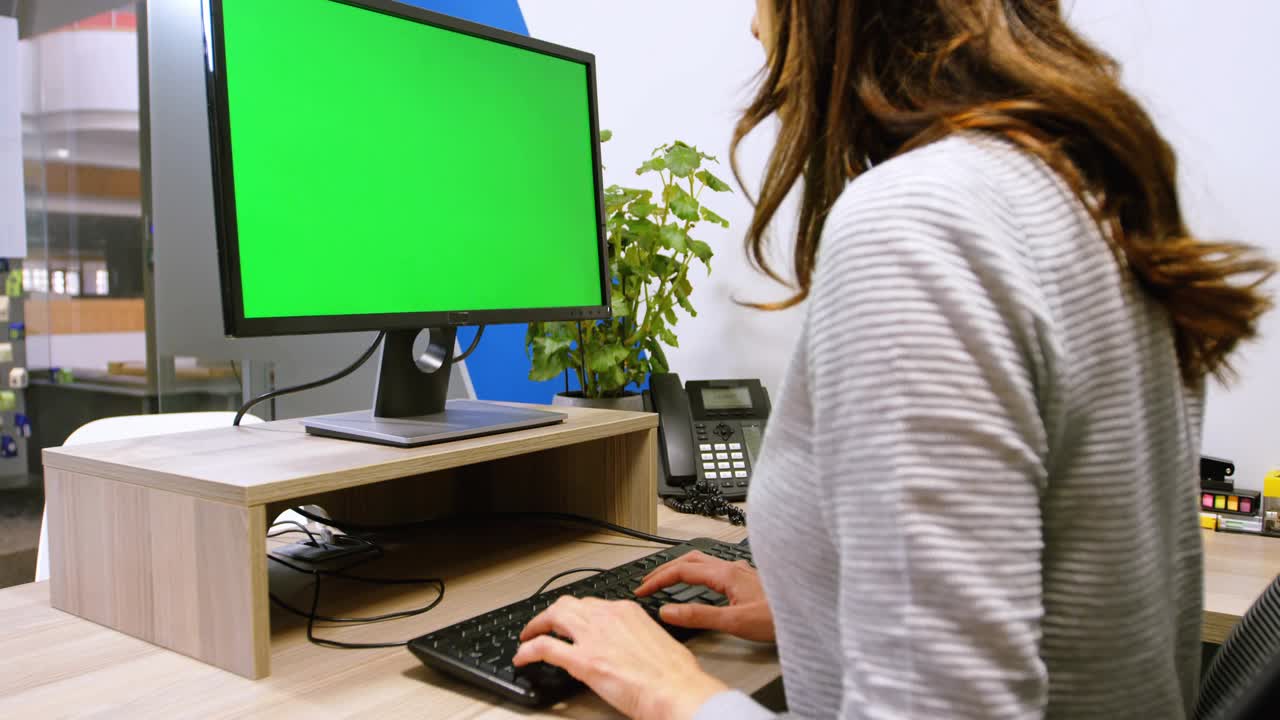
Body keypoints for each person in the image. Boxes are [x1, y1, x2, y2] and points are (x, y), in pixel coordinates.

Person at [513, 0, 1277, 718]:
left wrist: (677, 692)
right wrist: (821, 605)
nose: (755, 27)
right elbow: (1067, 582)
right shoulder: (1086, 195)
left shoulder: (921, 226)